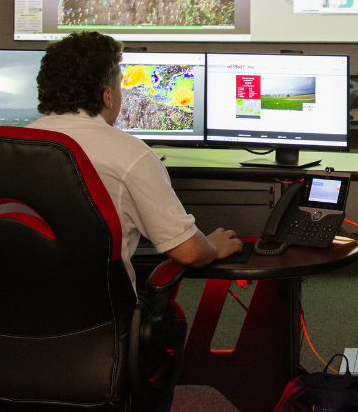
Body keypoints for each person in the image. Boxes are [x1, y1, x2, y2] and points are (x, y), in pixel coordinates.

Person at [27, 31, 242, 412]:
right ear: (108, 96)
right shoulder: (129, 154)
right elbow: (189, 252)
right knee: (168, 321)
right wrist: (215, 245)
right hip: (97, 328)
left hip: (8, 321)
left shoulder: (4, 144)